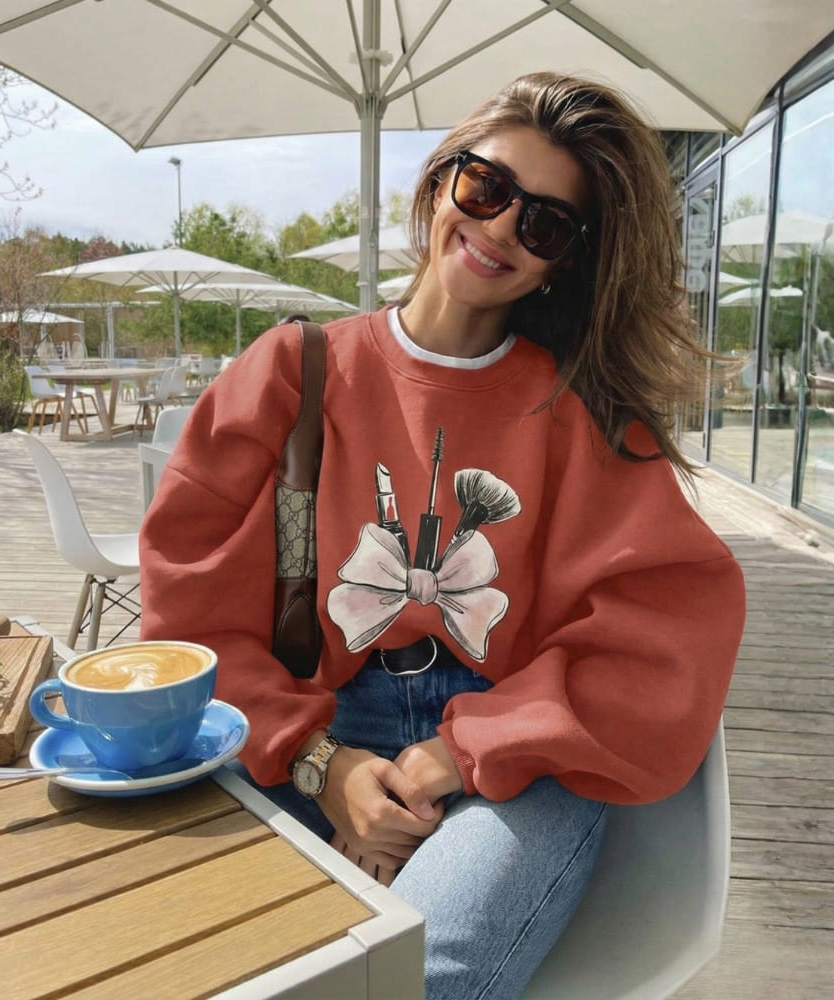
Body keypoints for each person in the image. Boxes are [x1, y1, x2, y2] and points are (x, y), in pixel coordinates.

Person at [140, 72, 746, 999]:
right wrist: (322, 763)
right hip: (303, 730)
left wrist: (457, 756)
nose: (501, 228)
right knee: (195, 958)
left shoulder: (581, 414)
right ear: (438, 185)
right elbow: (191, 613)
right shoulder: (291, 374)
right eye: (487, 188)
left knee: (418, 977)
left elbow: (665, 628)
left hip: (517, 757)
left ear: (564, 262)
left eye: (543, 224)